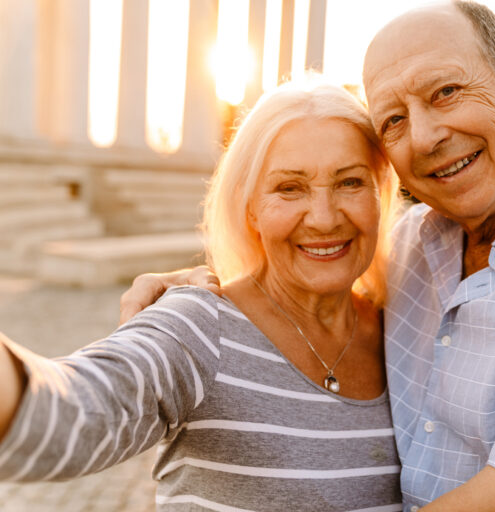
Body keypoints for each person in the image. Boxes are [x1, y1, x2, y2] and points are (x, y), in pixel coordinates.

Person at [120, 1, 495, 510]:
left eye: (447, 92)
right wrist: (212, 291)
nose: (428, 136)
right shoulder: (413, 247)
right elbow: (317, 304)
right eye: (395, 120)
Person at [0, 82, 404, 511]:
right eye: (289, 188)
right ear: (250, 206)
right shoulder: (199, 324)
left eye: (350, 182)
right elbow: (71, 411)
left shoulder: (405, 328)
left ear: (380, 193)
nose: (324, 218)